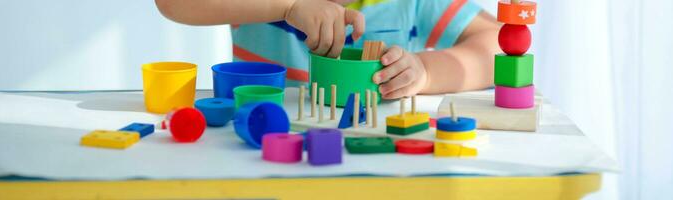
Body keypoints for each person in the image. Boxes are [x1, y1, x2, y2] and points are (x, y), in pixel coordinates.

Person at [155, 0, 500, 99]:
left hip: (375, 156)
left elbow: (498, 44)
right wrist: (286, 7)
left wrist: (425, 72)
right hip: (263, 148)